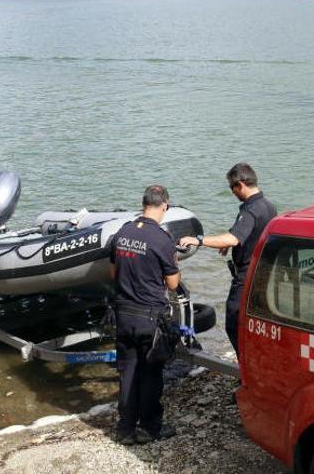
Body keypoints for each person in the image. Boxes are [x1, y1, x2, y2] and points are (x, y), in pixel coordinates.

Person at [179, 163, 276, 355]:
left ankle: (247, 367)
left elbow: (232, 237)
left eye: (232, 187)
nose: (232, 192)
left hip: (246, 276)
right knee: (254, 323)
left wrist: (197, 240)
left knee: (233, 322)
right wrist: (232, 243)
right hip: (263, 274)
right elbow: (250, 234)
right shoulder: (267, 206)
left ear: (240, 184)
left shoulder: (250, 210)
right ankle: (259, 360)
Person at [109, 185, 180, 445]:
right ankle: (150, 426)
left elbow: (113, 274)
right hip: (150, 318)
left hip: (123, 314)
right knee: (150, 374)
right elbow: (172, 284)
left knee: (127, 372)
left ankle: (125, 428)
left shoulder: (122, 232)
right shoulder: (162, 239)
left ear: (143, 204)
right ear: (164, 205)